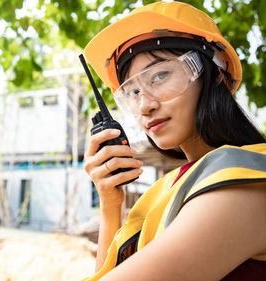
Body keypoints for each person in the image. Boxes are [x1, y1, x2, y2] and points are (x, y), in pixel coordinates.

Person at [82, 2, 266, 280]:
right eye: (131, 91)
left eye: (159, 76)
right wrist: (110, 205)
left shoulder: (245, 182)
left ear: (214, 73)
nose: (144, 105)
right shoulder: (167, 188)